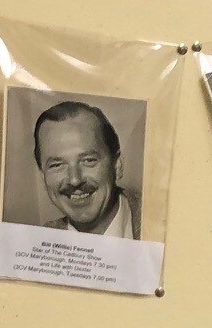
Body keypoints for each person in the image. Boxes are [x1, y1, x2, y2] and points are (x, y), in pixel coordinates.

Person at [33, 100, 140, 238]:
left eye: (88, 160)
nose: (75, 180)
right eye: (57, 165)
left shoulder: (164, 222)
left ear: (117, 165)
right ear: (43, 175)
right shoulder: (35, 241)